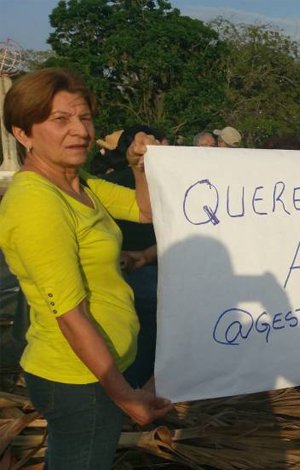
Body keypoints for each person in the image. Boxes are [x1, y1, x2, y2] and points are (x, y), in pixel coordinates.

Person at [0, 68, 172, 469]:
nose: (80, 130)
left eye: (85, 117)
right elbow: (70, 314)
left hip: (99, 371)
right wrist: (124, 395)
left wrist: (138, 165)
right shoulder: (36, 203)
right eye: (60, 119)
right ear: (23, 134)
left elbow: (145, 211)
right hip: (80, 379)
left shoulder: (80, 183)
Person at [93, 125, 168, 388]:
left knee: (138, 338)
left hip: (128, 272)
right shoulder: (92, 187)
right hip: (148, 274)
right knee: (150, 336)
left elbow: (144, 211)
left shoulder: (98, 184)